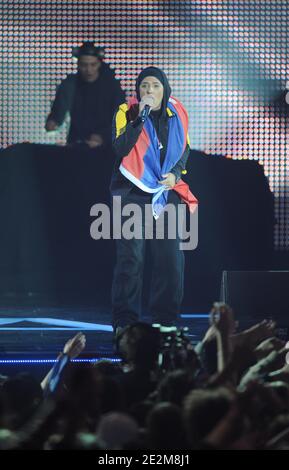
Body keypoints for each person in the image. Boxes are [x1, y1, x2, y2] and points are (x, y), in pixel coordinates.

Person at [110, 66, 198, 333]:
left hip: (163, 191)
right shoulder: (127, 112)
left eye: (155, 86)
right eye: (144, 86)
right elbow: (120, 148)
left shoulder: (177, 113)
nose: (149, 91)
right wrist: (141, 117)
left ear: (164, 88)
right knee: (131, 259)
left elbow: (185, 149)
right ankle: (125, 323)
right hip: (131, 192)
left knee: (171, 258)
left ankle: (166, 320)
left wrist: (175, 174)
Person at [45, 41, 125, 148]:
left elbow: (121, 119)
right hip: (76, 143)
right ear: (78, 64)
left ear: (99, 63)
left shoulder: (111, 86)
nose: (88, 70)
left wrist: (102, 136)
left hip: (105, 147)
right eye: (84, 65)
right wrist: (53, 121)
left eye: (93, 65)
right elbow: (58, 112)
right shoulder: (70, 84)